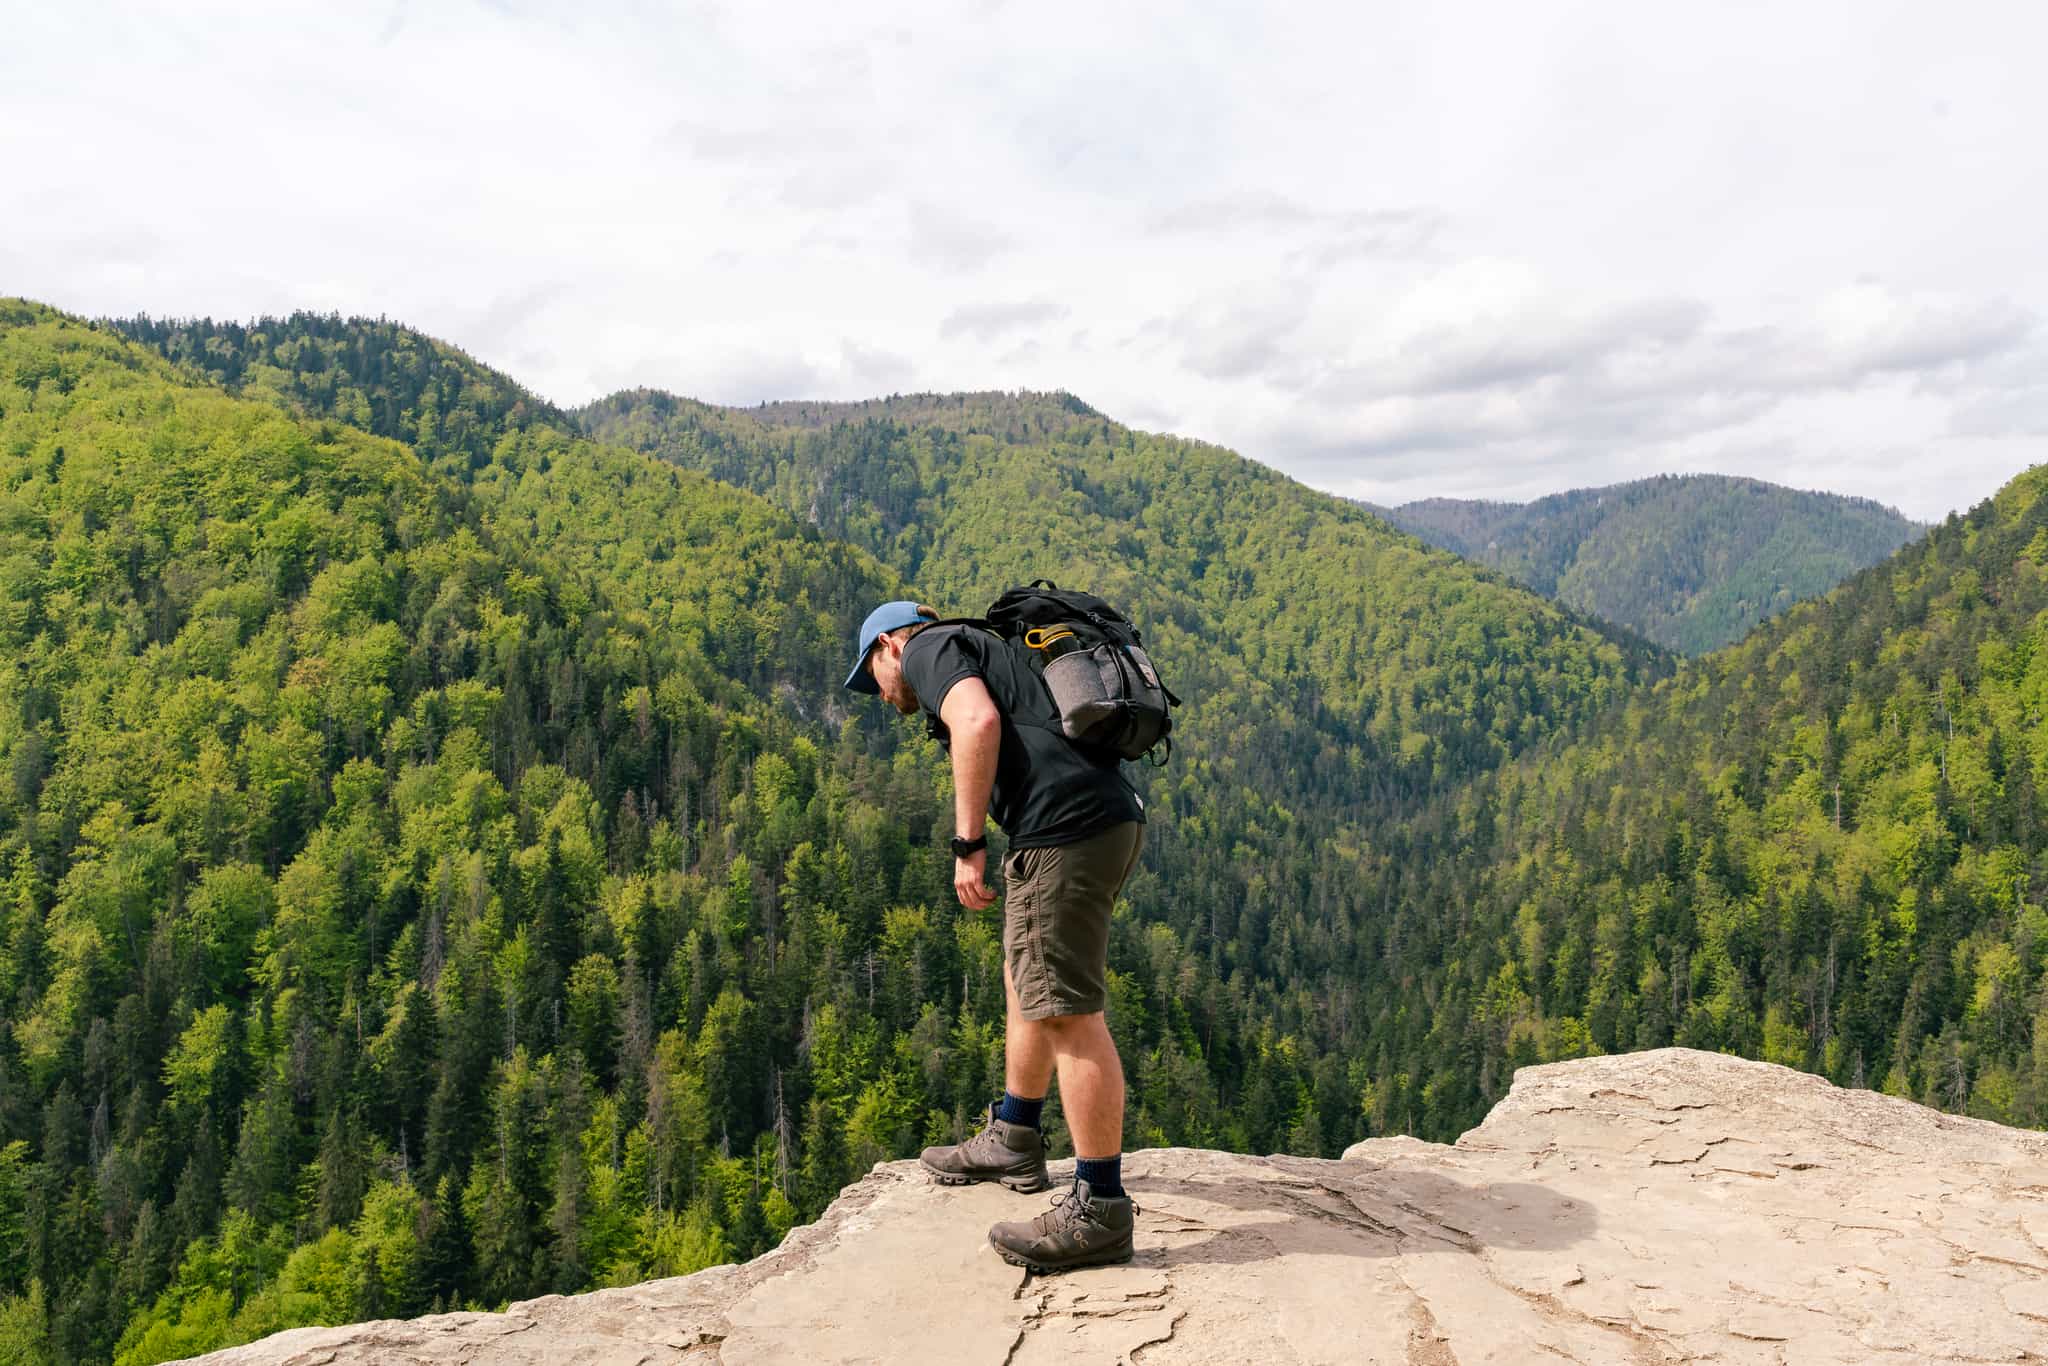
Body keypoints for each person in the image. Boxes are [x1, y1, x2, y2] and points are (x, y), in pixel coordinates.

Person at [843, 600, 1146, 1272]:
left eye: (872, 677)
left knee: (1068, 1014)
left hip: (1065, 828)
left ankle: (1100, 1209)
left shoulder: (928, 648)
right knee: (1027, 984)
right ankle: (1014, 1135)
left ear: (890, 645)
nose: (880, 695)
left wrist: (968, 843)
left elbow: (976, 721)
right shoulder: (982, 646)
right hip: (1101, 819)